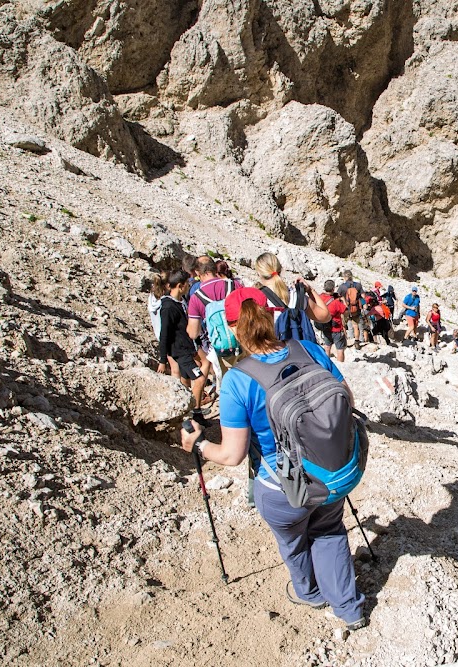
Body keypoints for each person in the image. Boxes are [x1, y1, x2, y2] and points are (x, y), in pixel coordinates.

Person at [180, 288, 367, 631]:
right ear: (271, 314)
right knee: (328, 530)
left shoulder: (237, 381)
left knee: (293, 540)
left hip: (280, 487)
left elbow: (233, 455)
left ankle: (309, 593)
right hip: (328, 473)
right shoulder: (308, 350)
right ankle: (350, 608)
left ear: (234, 328)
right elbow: (347, 401)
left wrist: (198, 445)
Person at [157, 270, 207, 423]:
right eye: (187, 284)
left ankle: (188, 414)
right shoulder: (168, 307)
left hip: (187, 347)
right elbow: (164, 334)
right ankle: (196, 413)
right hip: (180, 351)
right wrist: (162, 359)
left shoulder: (180, 302)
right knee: (198, 378)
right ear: (180, 286)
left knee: (186, 380)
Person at [187, 257, 242, 385]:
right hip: (243, 341)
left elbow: (193, 333)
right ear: (213, 268)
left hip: (221, 348)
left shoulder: (196, 298)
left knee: (228, 384)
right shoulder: (234, 285)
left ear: (197, 273)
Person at [254, 253, 330, 338]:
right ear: (280, 269)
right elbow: (326, 316)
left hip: (272, 349)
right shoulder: (297, 295)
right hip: (297, 349)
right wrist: (310, 290)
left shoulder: (257, 299)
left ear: (259, 273)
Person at [319, 280, 348, 362]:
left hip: (324, 326)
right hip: (336, 328)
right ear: (333, 289)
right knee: (340, 349)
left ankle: (326, 363)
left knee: (327, 346)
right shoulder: (336, 302)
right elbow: (346, 312)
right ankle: (340, 366)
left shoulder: (320, 297)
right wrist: (343, 301)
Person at [336, 270, 365, 347]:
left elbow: (337, 297)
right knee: (356, 326)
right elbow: (363, 296)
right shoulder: (358, 285)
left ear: (345, 277)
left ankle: (346, 341)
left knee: (344, 325)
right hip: (355, 308)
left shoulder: (342, 286)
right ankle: (356, 342)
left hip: (345, 309)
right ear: (351, 276)